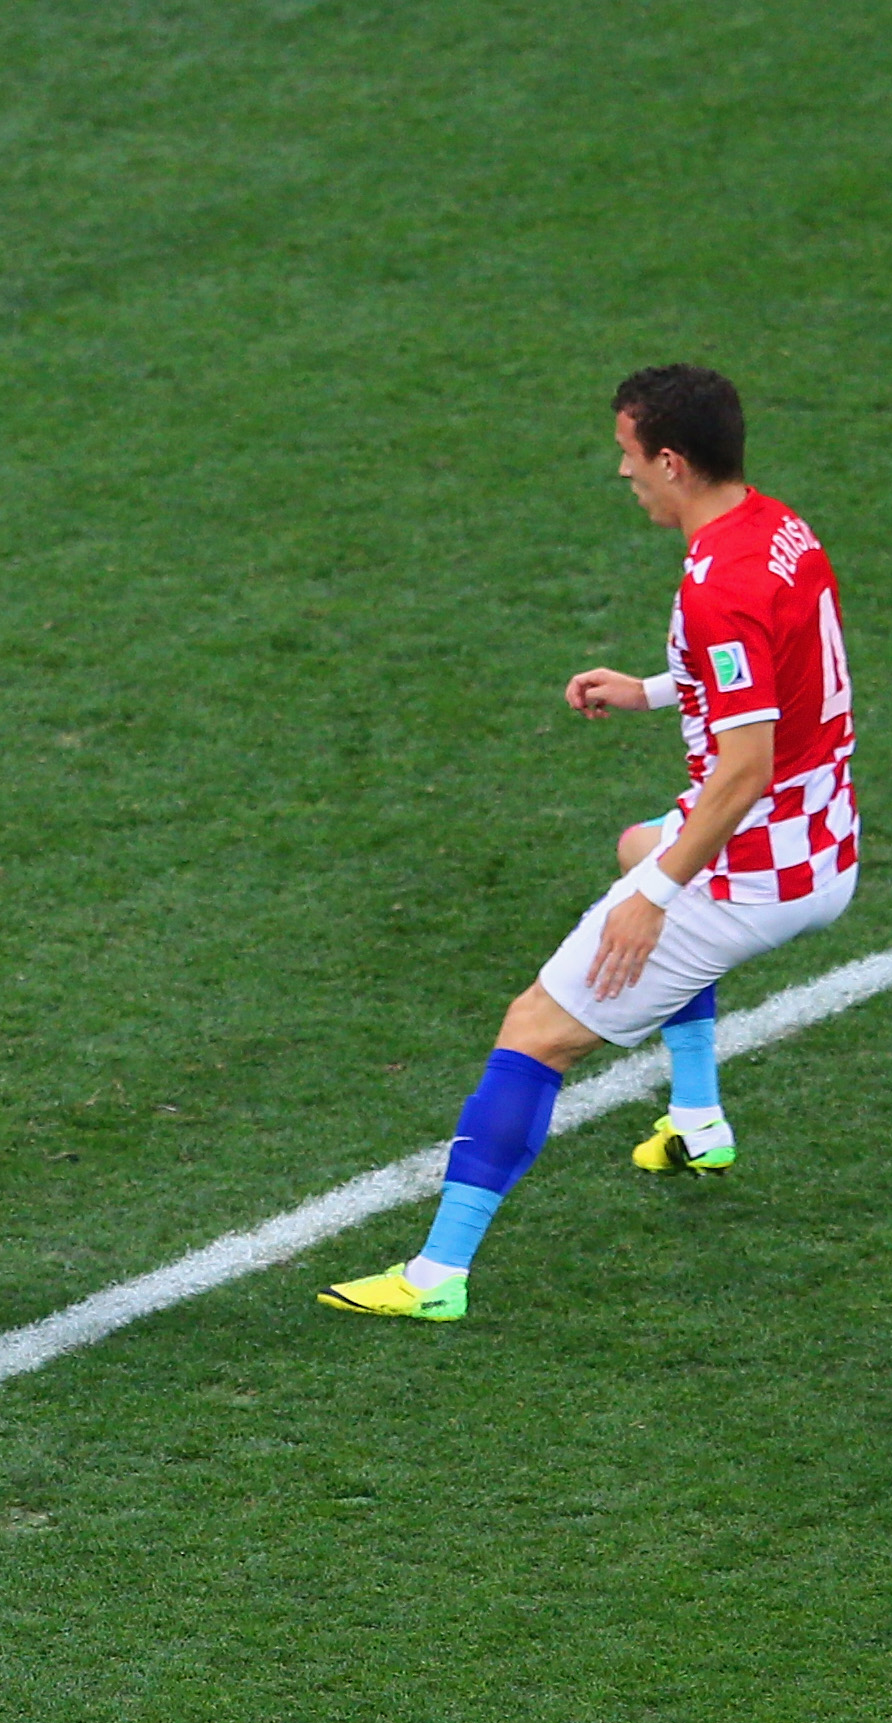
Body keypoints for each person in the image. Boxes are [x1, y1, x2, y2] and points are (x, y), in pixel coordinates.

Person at [322, 366, 855, 1321]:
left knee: (534, 1028)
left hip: (750, 863)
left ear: (673, 461)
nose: (623, 473)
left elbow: (741, 767)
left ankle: (435, 1276)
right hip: (823, 837)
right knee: (633, 844)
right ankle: (697, 1120)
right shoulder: (780, 528)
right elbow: (776, 678)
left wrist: (660, 896)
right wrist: (651, 690)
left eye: (627, 454)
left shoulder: (717, 584)